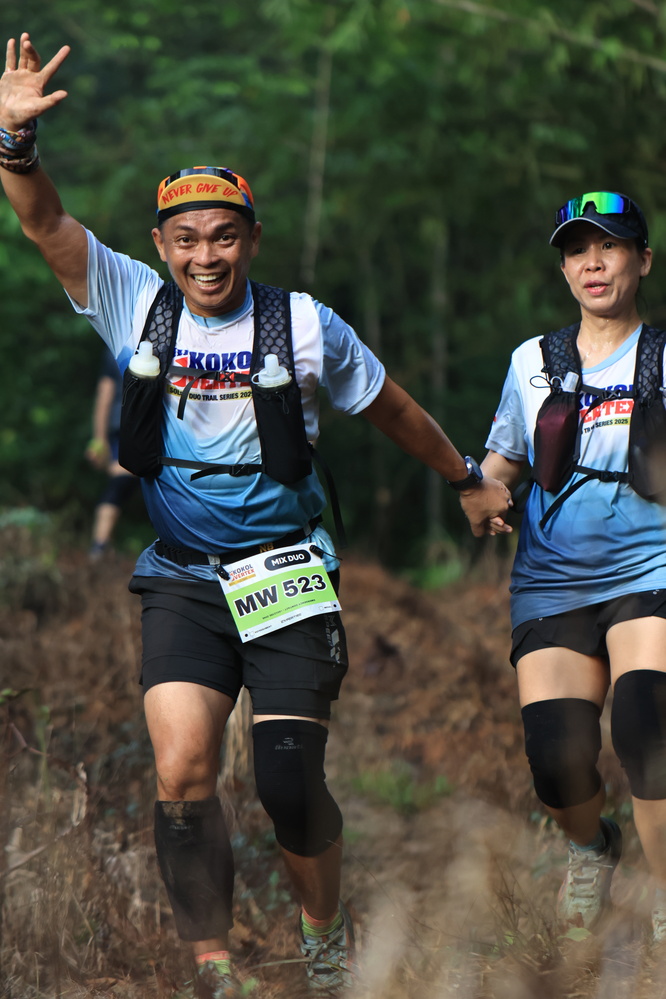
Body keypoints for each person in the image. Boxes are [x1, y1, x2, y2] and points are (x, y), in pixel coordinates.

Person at [0, 33, 512, 998]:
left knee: (286, 778)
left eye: (224, 235)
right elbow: (47, 222)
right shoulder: (130, 300)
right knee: (183, 769)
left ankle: (322, 934)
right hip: (183, 574)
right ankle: (214, 965)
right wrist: (14, 143)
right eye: (187, 239)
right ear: (161, 246)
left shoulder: (307, 324)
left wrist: (465, 476)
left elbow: (391, 407)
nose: (207, 255)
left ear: (253, 239)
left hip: (287, 569)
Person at [464, 189, 666, 942]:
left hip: (652, 570)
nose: (594, 262)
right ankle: (591, 847)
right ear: (564, 269)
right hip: (552, 579)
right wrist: (480, 492)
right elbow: (505, 459)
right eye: (578, 250)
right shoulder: (532, 361)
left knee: (648, 726)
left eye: (610, 246)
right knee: (556, 758)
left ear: (642, 260)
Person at [85, 346, 140, 560]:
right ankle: (100, 547)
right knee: (121, 482)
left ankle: (100, 546)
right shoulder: (172, 340)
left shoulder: (116, 346)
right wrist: (99, 439)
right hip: (140, 427)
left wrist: (99, 438)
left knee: (120, 483)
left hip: (126, 425)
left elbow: (104, 393)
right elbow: (105, 393)